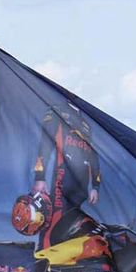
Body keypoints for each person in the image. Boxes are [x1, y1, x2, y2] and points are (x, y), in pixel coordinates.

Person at [32, 101, 102, 249]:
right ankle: (42, 264)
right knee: (53, 222)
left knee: (72, 227)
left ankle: (61, 267)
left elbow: (93, 156)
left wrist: (95, 186)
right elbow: (44, 147)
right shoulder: (57, 111)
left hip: (81, 187)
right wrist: (40, 177)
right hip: (61, 180)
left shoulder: (86, 123)